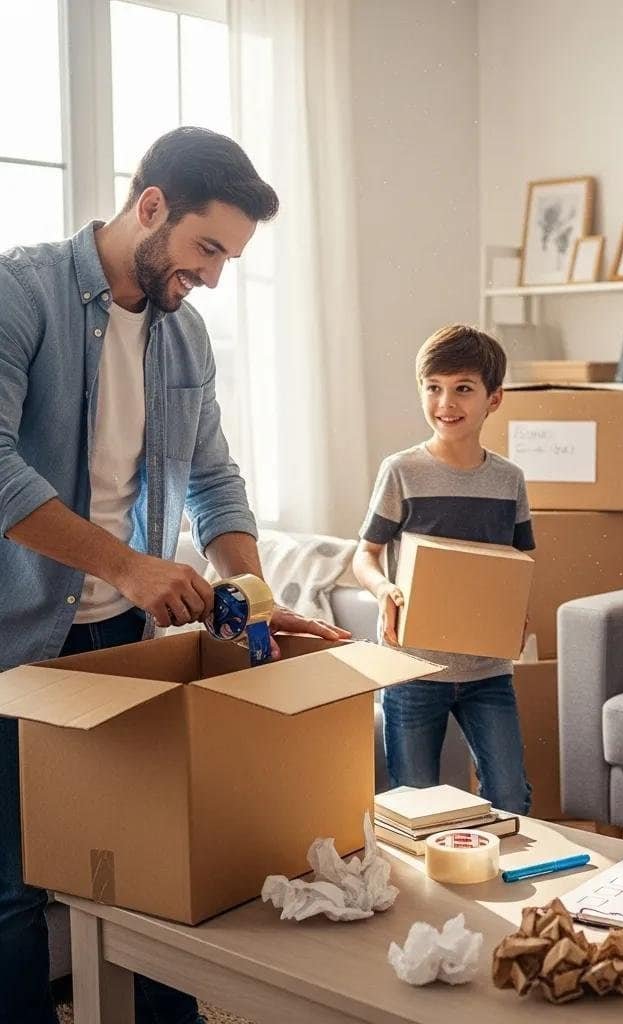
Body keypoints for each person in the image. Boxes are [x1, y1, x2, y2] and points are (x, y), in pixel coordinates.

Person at [0, 127, 348, 1024]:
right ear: (150, 205)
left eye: (230, 257)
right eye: (208, 248)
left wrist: (255, 605)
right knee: (11, 891)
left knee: (150, 867)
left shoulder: (185, 336)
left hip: (125, 642)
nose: (216, 276)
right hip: (15, 642)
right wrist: (131, 567)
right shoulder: (19, 292)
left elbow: (214, 481)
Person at [353, 325, 533, 814]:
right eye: (433, 387)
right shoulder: (402, 472)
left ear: (494, 399)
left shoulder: (509, 481)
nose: (445, 403)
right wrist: (384, 589)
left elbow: (518, 566)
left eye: (463, 389)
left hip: (488, 671)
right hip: (413, 668)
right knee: (415, 802)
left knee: (510, 795)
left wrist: (518, 614)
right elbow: (364, 554)